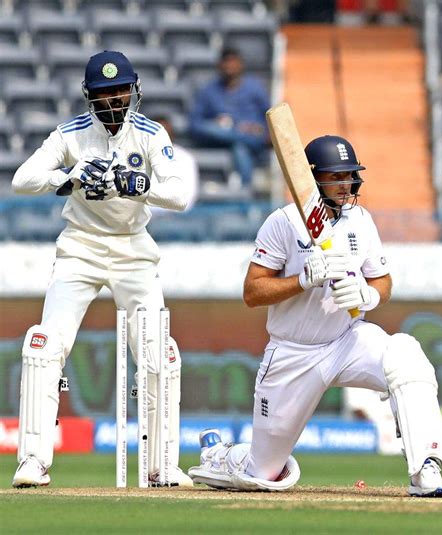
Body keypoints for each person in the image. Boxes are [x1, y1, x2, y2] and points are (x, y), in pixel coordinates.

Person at [188, 134, 442, 496]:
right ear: (312, 179)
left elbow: (383, 279)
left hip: (347, 340)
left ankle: (426, 468)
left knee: (407, 358)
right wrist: (302, 280)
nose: (346, 184)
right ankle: (223, 456)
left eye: (349, 176)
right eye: (336, 176)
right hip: (292, 352)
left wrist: (369, 295)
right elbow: (252, 292)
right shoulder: (283, 222)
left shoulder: (360, 219)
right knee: (263, 474)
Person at [11, 50, 193, 488]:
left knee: (157, 352)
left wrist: (139, 185)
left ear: (134, 91)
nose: (115, 100)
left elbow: (180, 194)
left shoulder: (151, 133)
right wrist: (68, 179)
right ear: (90, 97)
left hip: (134, 250)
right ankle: (33, 461)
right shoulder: (70, 135)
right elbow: (22, 178)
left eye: (121, 91)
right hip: (80, 248)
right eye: (105, 93)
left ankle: (161, 465)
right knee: (44, 346)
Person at [188, 47, 270, 195]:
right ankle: (246, 193)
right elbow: (195, 124)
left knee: (240, 147)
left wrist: (259, 129)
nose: (229, 66)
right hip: (220, 136)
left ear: (241, 64)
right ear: (220, 65)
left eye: (233, 62)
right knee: (215, 130)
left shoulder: (255, 88)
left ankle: (245, 192)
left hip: (254, 138)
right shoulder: (209, 90)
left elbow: (270, 115)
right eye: (226, 62)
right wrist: (218, 123)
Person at [151, 114, 199, 213]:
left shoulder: (185, 158)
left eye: (165, 132)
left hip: (177, 216)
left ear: (172, 134)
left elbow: (188, 197)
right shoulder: (136, 157)